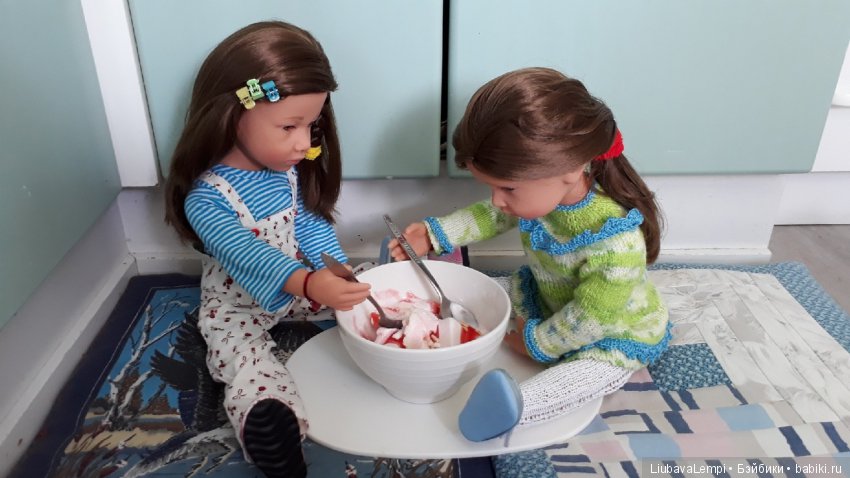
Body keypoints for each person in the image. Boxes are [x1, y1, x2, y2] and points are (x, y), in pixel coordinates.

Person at [388, 67, 671, 442]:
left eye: (507, 189)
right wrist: (436, 233)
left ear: (570, 170)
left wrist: (537, 343)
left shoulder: (616, 243)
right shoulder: (544, 194)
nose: (497, 200)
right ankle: (423, 299)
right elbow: (489, 216)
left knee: (584, 376)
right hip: (547, 298)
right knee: (486, 292)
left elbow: (591, 319)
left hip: (611, 332)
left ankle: (515, 406)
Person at [164, 21, 371, 477]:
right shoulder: (208, 198)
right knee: (243, 362)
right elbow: (246, 252)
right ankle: (269, 423)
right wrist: (309, 283)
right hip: (236, 306)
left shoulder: (286, 172)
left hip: (301, 287)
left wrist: (334, 270)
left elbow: (308, 223)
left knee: (369, 289)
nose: (304, 142)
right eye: (289, 126)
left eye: (311, 125)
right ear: (231, 115)